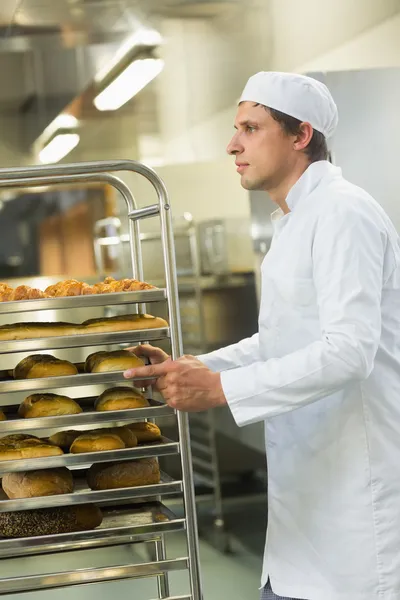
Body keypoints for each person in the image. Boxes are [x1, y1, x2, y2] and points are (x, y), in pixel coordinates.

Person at [124, 71, 400, 600]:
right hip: (305, 506)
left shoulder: (343, 213)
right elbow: (281, 343)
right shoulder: (296, 221)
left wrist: (221, 390)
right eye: (235, 130)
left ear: (300, 136)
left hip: (354, 517)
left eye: (250, 128)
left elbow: (349, 352)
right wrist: (196, 368)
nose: (232, 145)